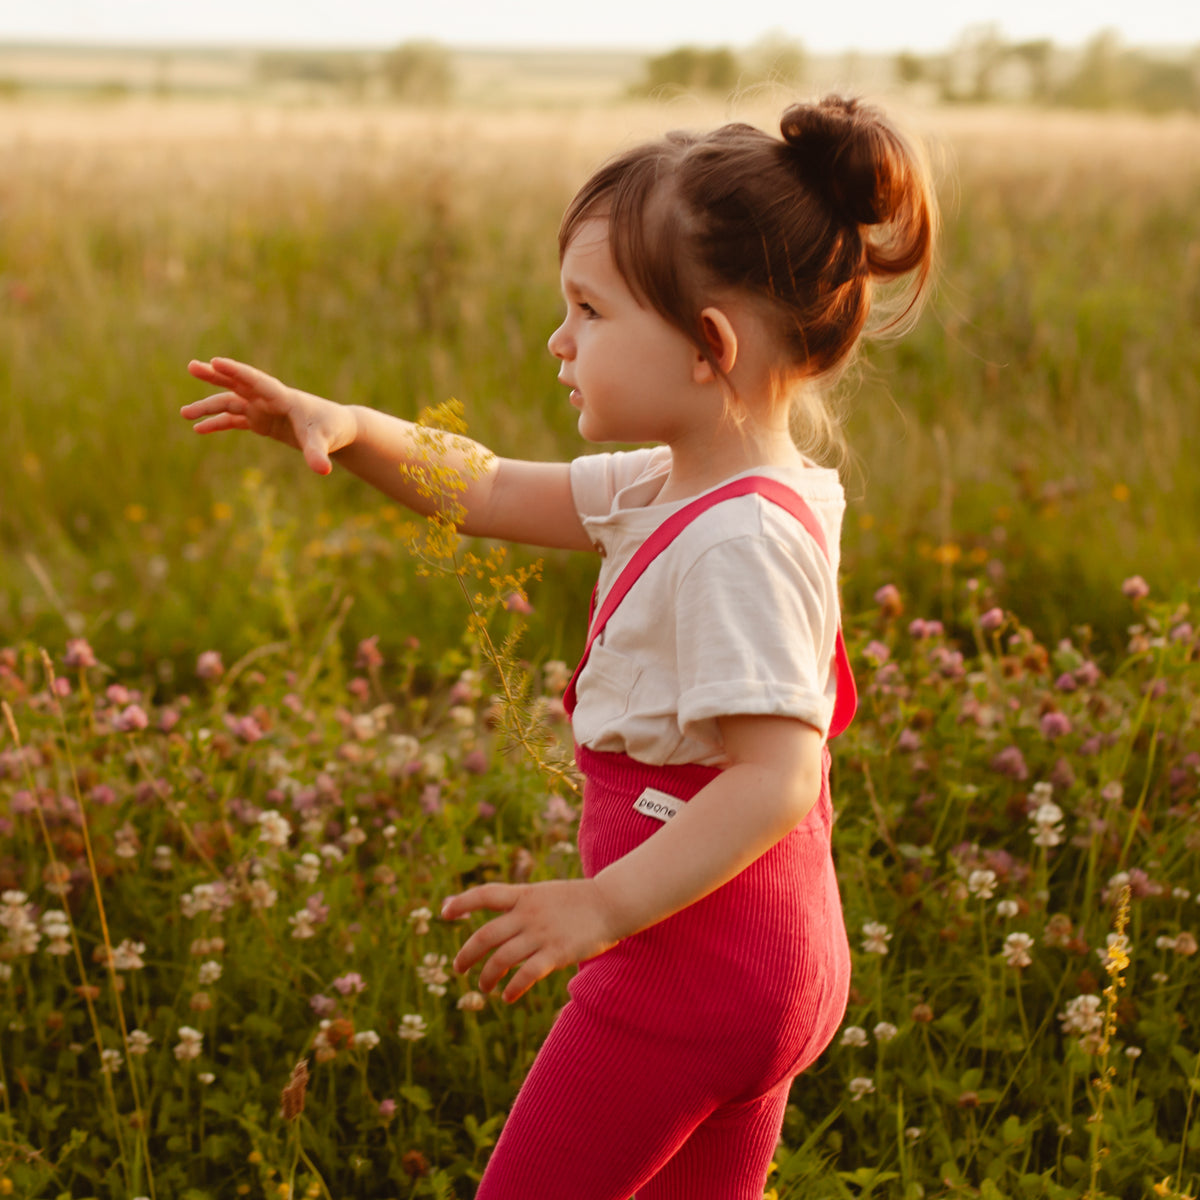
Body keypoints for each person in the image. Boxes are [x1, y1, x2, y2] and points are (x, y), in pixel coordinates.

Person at [182, 94, 936, 1199]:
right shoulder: (686, 484)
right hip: (765, 965)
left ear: (706, 347)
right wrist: (348, 426)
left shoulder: (740, 536)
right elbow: (483, 484)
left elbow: (780, 777)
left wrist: (601, 907)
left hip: (691, 971)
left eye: (589, 310)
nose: (560, 340)